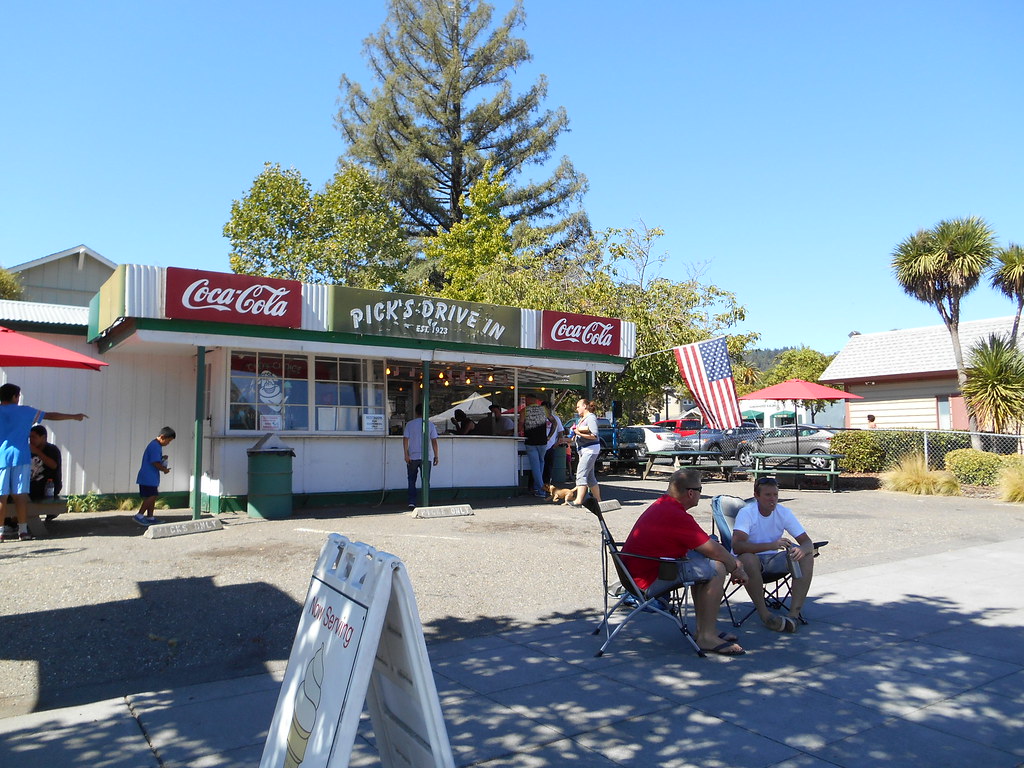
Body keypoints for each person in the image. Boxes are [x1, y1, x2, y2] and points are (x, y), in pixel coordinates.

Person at [621, 468, 748, 655]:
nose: (700, 494)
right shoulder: (675, 515)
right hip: (649, 581)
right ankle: (706, 637)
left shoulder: (664, 506)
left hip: (638, 575)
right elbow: (714, 550)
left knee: (706, 563)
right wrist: (736, 567)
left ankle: (704, 630)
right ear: (691, 492)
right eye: (700, 490)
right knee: (717, 567)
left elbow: (706, 547)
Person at [0, 383, 87, 543]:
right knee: (20, 496)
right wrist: (74, 416)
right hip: (21, 456)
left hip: (1, 457)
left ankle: (0, 533)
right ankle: (23, 530)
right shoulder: (25, 411)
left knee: (1, 497)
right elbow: (50, 415)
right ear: (15, 397)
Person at [731, 476, 815, 632]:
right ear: (756, 496)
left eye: (775, 495)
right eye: (768, 495)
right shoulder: (747, 513)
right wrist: (772, 545)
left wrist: (802, 550)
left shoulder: (783, 512)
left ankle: (793, 615)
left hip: (773, 560)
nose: (773, 499)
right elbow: (737, 547)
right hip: (750, 562)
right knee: (748, 558)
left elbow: (807, 542)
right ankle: (765, 616)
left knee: (806, 556)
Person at [133, 426, 175, 526]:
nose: (168, 443)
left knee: (151, 496)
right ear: (162, 437)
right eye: (168, 441)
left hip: (149, 477)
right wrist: (164, 469)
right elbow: (155, 462)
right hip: (148, 477)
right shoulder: (155, 446)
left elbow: (154, 459)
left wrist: (162, 458)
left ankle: (150, 517)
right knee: (152, 495)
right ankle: (139, 515)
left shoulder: (155, 445)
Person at [403, 403, 439, 509]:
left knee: (411, 480)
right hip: (426, 457)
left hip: (412, 456)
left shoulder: (410, 424)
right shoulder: (430, 425)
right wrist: (436, 456)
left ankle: (412, 502)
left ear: (416, 412)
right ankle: (425, 501)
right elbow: (434, 442)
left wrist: (406, 454)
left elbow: (405, 440)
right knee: (425, 480)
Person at [569, 398, 602, 507]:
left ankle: (578, 501)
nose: (577, 408)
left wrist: (578, 432)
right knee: (590, 477)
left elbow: (594, 435)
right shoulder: (582, 419)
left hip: (590, 449)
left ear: (585, 406)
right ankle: (598, 501)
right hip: (585, 449)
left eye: (578, 406)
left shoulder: (591, 418)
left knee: (581, 473)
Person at [522, 394, 556, 498]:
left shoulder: (524, 411)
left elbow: (520, 423)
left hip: (531, 441)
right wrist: (549, 436)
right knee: (541, 464)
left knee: (535, 467)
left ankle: (541, 490)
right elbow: (554, 422)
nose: (525, 401)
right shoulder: (544, 410)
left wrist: (521, 431)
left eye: (525, 400)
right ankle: (538, 487)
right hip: (543, 441)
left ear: (528, 400)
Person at [542, 401, 564, 485]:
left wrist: (555, 445)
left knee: (548, 468)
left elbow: (560, 433)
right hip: (540, 446)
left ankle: (547, 485)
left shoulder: (556, 419)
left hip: (550, 446)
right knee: (540, 467)